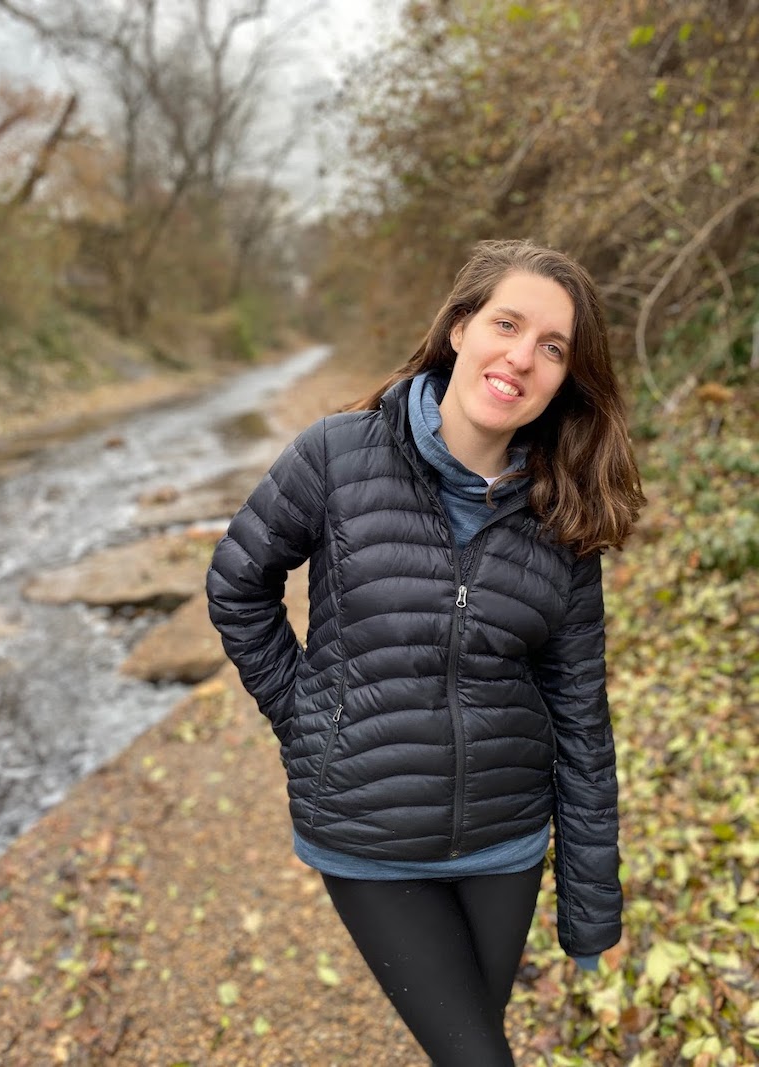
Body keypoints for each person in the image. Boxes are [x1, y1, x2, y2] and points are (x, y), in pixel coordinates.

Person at [206, 239, 645, 1065]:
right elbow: (237, 585)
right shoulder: (337, 455)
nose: (523, 356)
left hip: (507, 841)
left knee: (472, 1045)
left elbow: (582, 717)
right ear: (459, 327)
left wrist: (592, 907)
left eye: (553, 348)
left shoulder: (565, 513)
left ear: (566, 377)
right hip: (367, 835)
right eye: (507, 323)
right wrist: (306, 719)